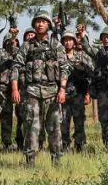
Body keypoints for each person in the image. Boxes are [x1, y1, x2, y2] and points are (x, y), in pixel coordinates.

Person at [11, 11, 70, 167]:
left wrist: (62, 89)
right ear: (34, 25)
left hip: (52, 93)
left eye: (44, 21)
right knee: (31, 127)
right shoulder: (27, 46)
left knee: (54, 128)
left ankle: (56, 162)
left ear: (49, 25)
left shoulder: (56, 45)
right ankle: (30, 162)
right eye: (37, 21)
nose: (40, 24)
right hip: (32, 93)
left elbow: (64, 68)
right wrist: (15, 89)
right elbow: (16, 67)